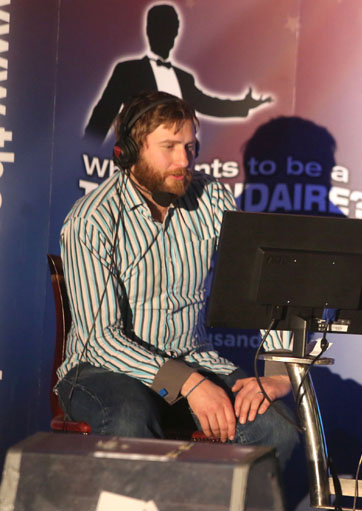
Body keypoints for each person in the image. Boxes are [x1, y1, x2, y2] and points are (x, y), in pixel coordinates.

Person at [58, 91, 297, 465]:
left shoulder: (211, 198)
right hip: (104, 370)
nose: (184, 161)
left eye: (189, 147)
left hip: (195, 360)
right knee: (130, 418)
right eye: (169, 147)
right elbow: (102, 340)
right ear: (129, 151)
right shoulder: (91, 221)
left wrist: (280, 374)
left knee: (278, 429)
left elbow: (264, 280)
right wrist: (187, 383)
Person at [84, 3, 271, 141]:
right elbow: (104, 112)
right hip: (141, 158)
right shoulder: (128, 70)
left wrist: (243, 105)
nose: (169, 34)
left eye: (173, 28)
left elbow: (208, 104)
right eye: (163, 28)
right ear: (149, 30)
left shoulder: (184, 78)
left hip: (180, 156)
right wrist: (85, 151)